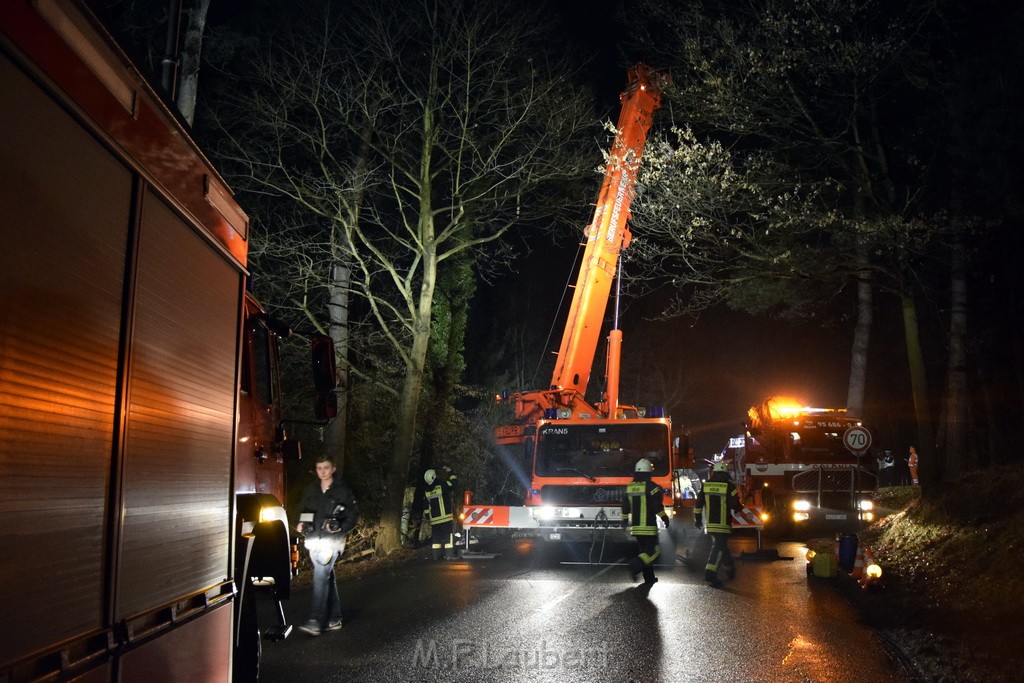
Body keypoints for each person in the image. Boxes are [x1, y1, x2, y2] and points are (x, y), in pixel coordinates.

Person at [295, 455, 359, 636]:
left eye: (326, 467)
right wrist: (300, 522)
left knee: (320, 576)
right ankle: (335, 618)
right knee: (326, 577)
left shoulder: (343, 491)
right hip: (314, 540)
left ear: (333, 469)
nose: (322, 471)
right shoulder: (310, 490)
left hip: (332, 541)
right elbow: (301, 509)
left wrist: (340, 527)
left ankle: (315, 620)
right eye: (319, 468)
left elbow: (353, 516)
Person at [694, 461, 742, 588]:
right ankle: (710, 573)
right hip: (723, 524)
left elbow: (698, 505)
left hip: (710, 524)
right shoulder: (729, 486)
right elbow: (734, 504)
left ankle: (730, 569)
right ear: (726, 473)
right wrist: (740, 507)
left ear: (713, 472)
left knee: (721, 547)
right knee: (718, 548)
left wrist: (697, 519)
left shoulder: (706, 486)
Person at [622, 458, 669, 585]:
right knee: (654, 551)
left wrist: (624, 521)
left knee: (644, 551)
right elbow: (657, 507)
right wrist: (665, 518)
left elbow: (625, 507)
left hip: (636, 528)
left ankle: (649, 578)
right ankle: (635, 565)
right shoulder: (653, 487)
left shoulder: (629, 488)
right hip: (649, 527)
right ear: (649, 472)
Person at [424, 468, 458, 560]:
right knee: (448, 537)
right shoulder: (442, 485)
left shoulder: (427, 491)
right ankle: (450, 555)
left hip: (434, 521)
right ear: (434, 476)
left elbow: (426, 508)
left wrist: (429, 517)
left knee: (436, 539)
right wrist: (450, 472)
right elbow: (453, 483)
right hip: (445, 518)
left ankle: (436, 556)